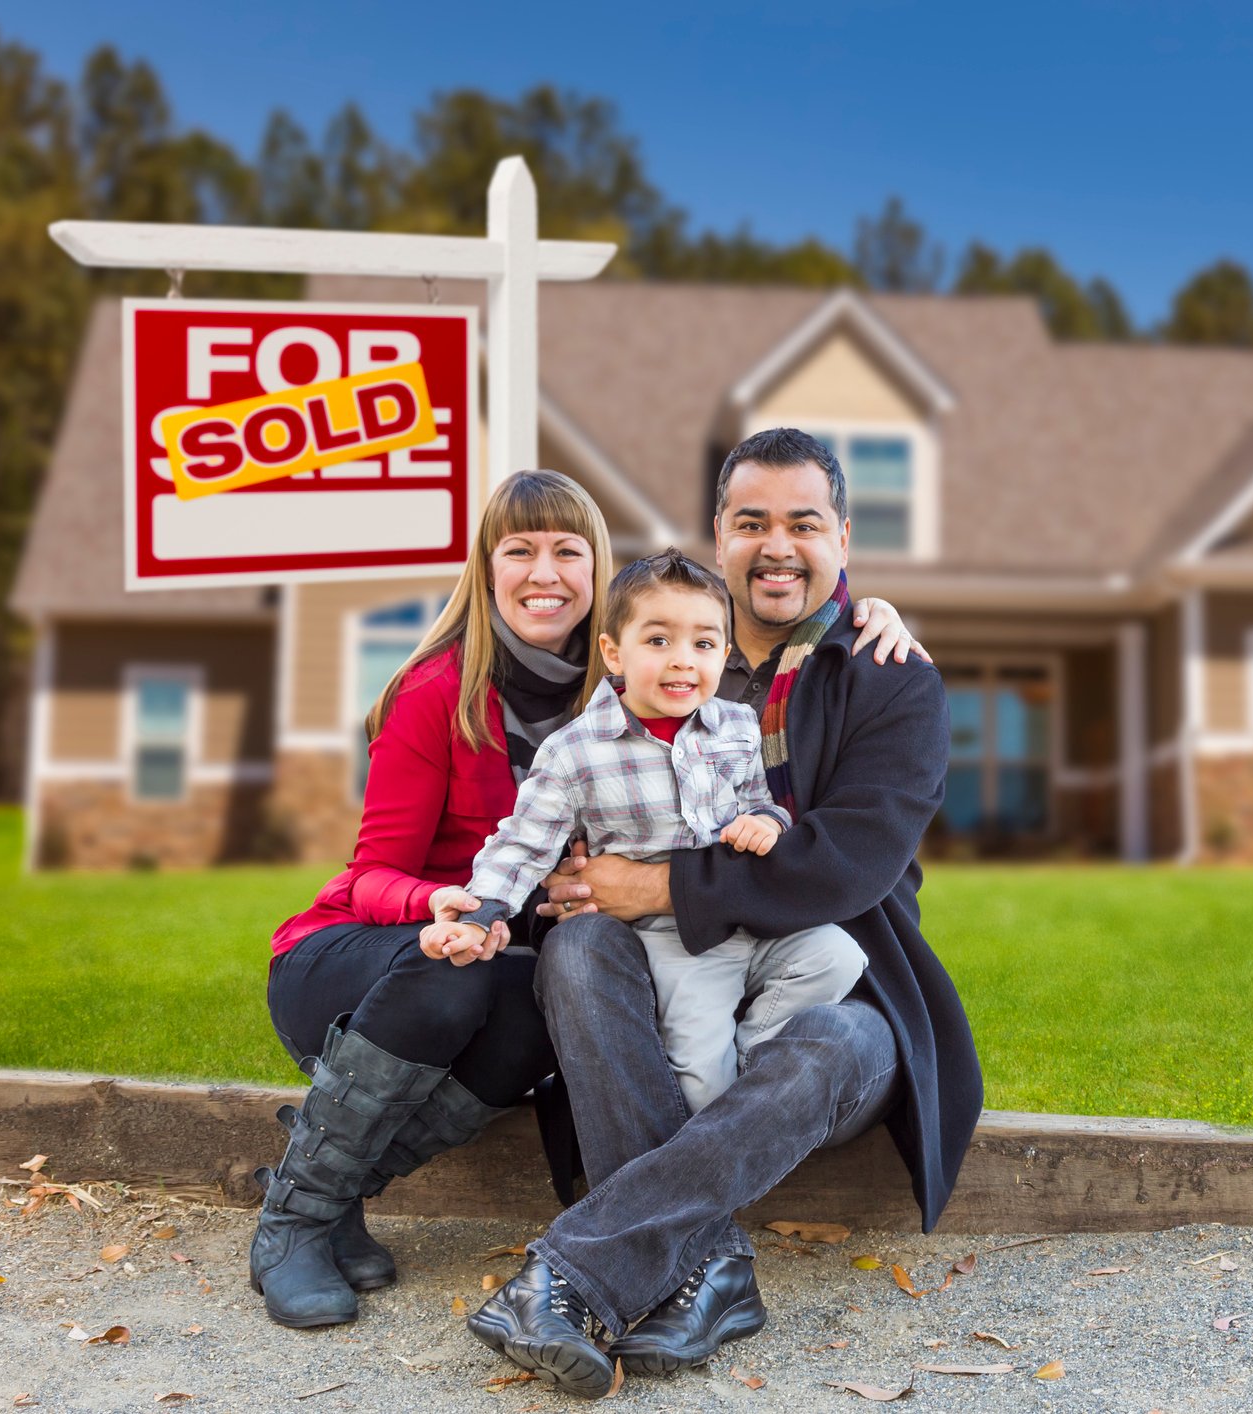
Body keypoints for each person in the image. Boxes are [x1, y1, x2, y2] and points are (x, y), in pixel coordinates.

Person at [255, 468, 923, 1330]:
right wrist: (460, 905)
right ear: (485, 568)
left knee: (542, 999)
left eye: (568, 551)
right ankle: (297, 1220)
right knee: (469, 972)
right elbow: (366, 875)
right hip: (370, 951)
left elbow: (757, 637)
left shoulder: (643, 679)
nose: (545, 572)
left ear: (598, 577)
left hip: (514, 953)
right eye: (519, 550)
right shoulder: (440, 693)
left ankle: (339, 1189)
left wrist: (874, 608)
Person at [465, 428, 983, 1397]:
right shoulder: (662, 646)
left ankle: (577, 1269)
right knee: (576, 948)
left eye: (803, 523)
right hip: (665, 976)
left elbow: (846, 869)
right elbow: (531, 674)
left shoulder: (888, 675)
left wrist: (660, 884)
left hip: (836, 979)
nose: (777, 545)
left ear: (842, 535)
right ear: (718, 534)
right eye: (752, 523)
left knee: (833, 1042)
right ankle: (711, 1270)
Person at [421, 548, 867, 1114]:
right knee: (704, 1084)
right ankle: (721, 1115)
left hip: (748, 917)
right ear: (614, 652)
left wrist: (767, 822)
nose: (683, 661)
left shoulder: (736, 726)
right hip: (675, 940)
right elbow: (522, 844)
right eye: (658, 641)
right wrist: (482, 911)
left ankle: (756, 1055)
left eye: (703, 644)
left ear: (723, 653)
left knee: (838, 955)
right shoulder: (574, 753)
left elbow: (759, 800)